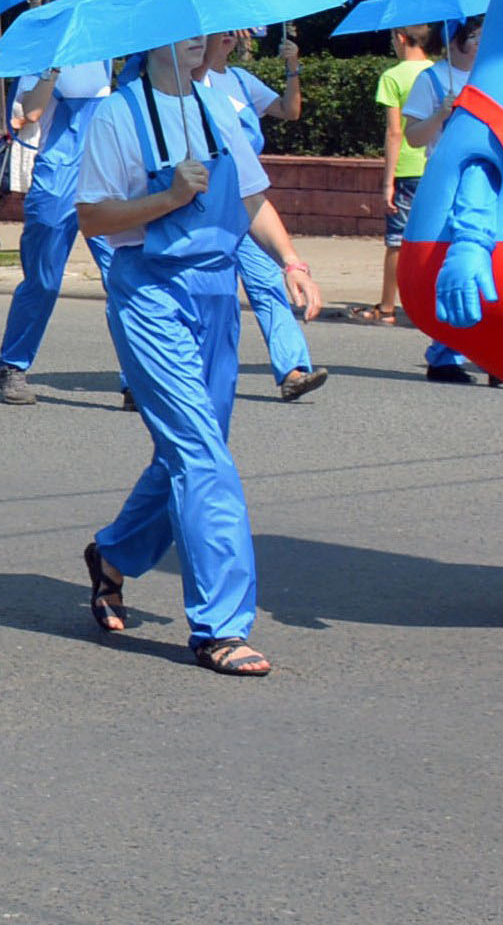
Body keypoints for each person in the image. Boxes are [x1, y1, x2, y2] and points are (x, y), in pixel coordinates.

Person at [75, 33, 320, 676]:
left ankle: (113, 556)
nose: (201, 42)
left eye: (205, 32)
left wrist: (290, 260)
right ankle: (220, 626)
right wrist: (169, 197)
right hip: (150, 294)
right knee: (204, 457)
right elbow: (94, 218)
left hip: (215, 294)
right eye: (185, 33)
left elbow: (251, 198)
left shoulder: (217, 103)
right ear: (149, 41)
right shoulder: (116, 113)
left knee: (191, 448)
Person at [0, 0, 114, 404]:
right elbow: (28, 114)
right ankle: (12, 364)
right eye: (81, 1)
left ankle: (138, 375)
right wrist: (54, 64)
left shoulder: (109, 49)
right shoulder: (44, 50)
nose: (90, 9)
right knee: (43, 278)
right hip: (59, 171)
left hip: (106, 174)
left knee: (123, 274)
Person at [202, 30, 329, 401]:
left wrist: (293, 67)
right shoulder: (191, 87)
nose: (227, 37)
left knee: (269, 283)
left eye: (230, 31)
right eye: (219, 31)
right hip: (210, 206)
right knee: (213, 298)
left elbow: (290, 111)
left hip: (247, 198)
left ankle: (292, 369)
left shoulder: (241, 80)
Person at [402, 19, 486, 382]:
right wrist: (441, 113)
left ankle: (491, 352)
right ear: (455, 38)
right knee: (448, 267)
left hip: (488, 182)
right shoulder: (432, 79)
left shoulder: (492, 76)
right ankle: (444, 354)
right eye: (474, 36)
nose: (482, 42)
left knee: (491, 266)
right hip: (446, 185)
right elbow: (413, 138)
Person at [370, 23, 436, 325]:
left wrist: (387, 182)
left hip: (407, 167)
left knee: (397, 241)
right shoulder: (438, 73)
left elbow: (395, 132)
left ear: (400, 38)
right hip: (434, 165)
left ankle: (387, 306)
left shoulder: (392, 76)